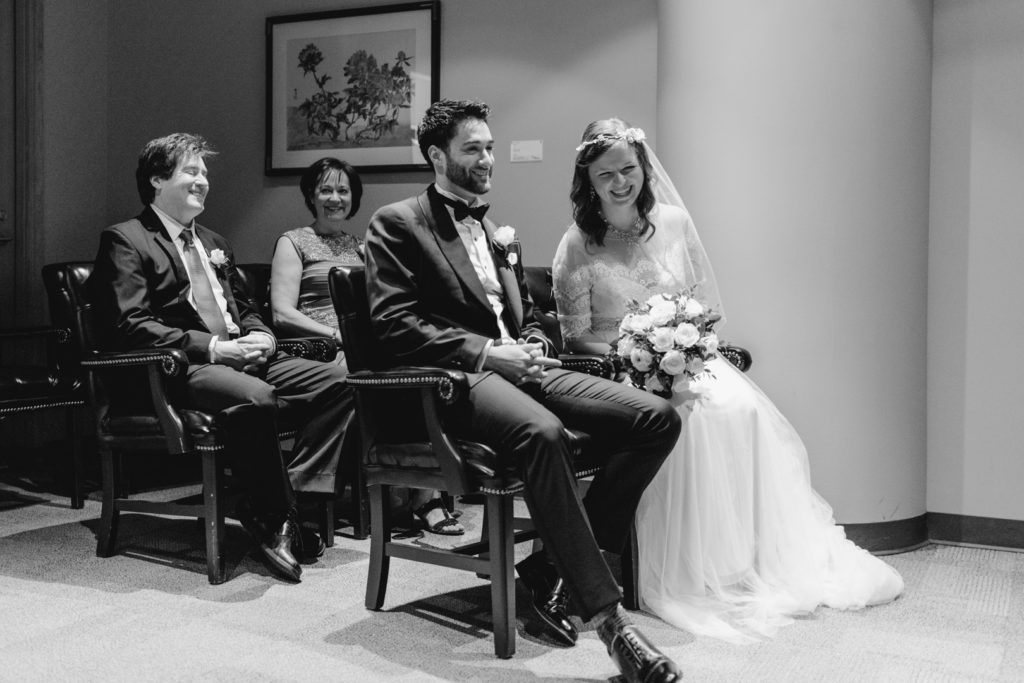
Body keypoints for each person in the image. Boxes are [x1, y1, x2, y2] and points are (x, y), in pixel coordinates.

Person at [364, 99, 684, 683]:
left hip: (524, 369)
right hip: (460, 382)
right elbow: (392, 324)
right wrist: (487, 353)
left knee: (656, 419)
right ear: (437, 156)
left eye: (489, 147)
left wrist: (532, 340)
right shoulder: (398, 222)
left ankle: (550, 573)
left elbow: (523, 313)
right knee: (543, 433)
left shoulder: (490, 227)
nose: (488, 159)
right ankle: (612, 624)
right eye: (473, 149)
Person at [553, 118, 905, 642]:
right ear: (589, 180)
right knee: (685, 422)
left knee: (738, 410)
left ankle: (738, 560)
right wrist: (636, 351)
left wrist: (682, 343)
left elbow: (703, 306)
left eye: (628, 169)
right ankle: (684, 567)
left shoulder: (673, 222)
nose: (620, 182)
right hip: (620, 366)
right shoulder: (577, 244)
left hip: (686, 357)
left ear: (644, 168)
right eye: (607, 175)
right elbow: (575, 336)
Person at [89, 133, 353, 583]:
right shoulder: (126, 239)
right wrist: (212, 347)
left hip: (244, 357)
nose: (203, 181)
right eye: (192, 171)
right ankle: (277, 517)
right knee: (255, 398)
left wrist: (263, 338)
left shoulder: (215, 242)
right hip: (181, 369)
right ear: (156, 179)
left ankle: (291, 499)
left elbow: (247, 310)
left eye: (205, 173)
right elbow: (129, 324)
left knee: (344, 383)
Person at [270, 157, 462, 536]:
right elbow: (281, 313)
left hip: (363, 347)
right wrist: (335, 335)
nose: (335, 198)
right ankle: (416, 497)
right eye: (326, 189)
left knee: (419, 376)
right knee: (373, 383)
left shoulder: (360, 247)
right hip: (319, 348)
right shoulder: (293, 242)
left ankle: (417, 490)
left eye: (343, 190)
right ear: (311, 194)